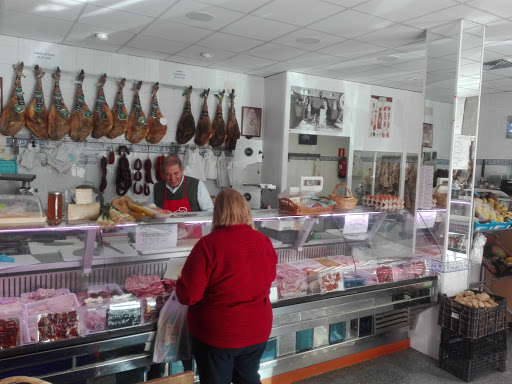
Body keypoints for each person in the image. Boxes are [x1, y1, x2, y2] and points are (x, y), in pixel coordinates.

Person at [176, 189, 278, 384]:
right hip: (257, 330)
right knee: (248, 379)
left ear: (218, 213)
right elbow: (269, 277)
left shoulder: (207, 245)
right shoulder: (263, 241)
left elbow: (189, 295)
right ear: (246, 211)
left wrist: (179, 283)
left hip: (218, 336)